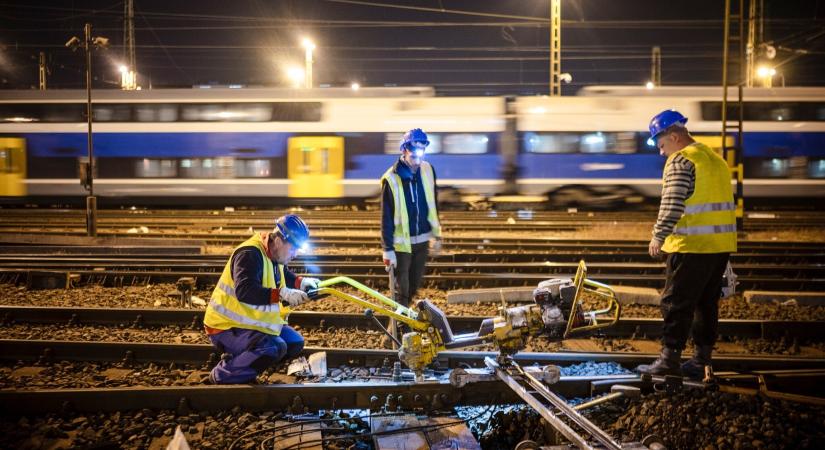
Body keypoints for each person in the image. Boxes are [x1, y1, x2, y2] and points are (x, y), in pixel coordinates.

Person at [636, 110, 737, 378]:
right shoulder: (716, 160)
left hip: (690, 245)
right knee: (706, 303)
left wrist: (658, 235)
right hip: (719, 246)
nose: (661, 153)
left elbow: (672, 204)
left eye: (661, 145)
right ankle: (702, 360)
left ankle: (669, 360)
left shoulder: (680, 161)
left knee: (675, 303)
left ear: (674, 136)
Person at [203, 214, 321, 384]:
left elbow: (282, 274)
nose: (295, 254)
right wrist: (281, 294)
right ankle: (222, 374)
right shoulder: (249, 254)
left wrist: (300, 282)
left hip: (248, 322)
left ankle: (246, 359)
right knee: (273, 348)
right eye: (293, 249)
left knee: (294, 343)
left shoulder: (274, 253)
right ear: (279, 241)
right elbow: (245, 291)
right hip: (225, 326)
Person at [381, 128, 443, 308]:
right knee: (402, 291)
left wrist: (437, 235)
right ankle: (398, 331)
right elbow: (386, 217)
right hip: (402, 246)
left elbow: (433, 204)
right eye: (414, 156)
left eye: (420, 155)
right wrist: (387, 249)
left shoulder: (428, 170)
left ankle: (400, 326)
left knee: (414, 287)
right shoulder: (390, 179)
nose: (418, 161)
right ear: (404, 150)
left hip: (422, 242)